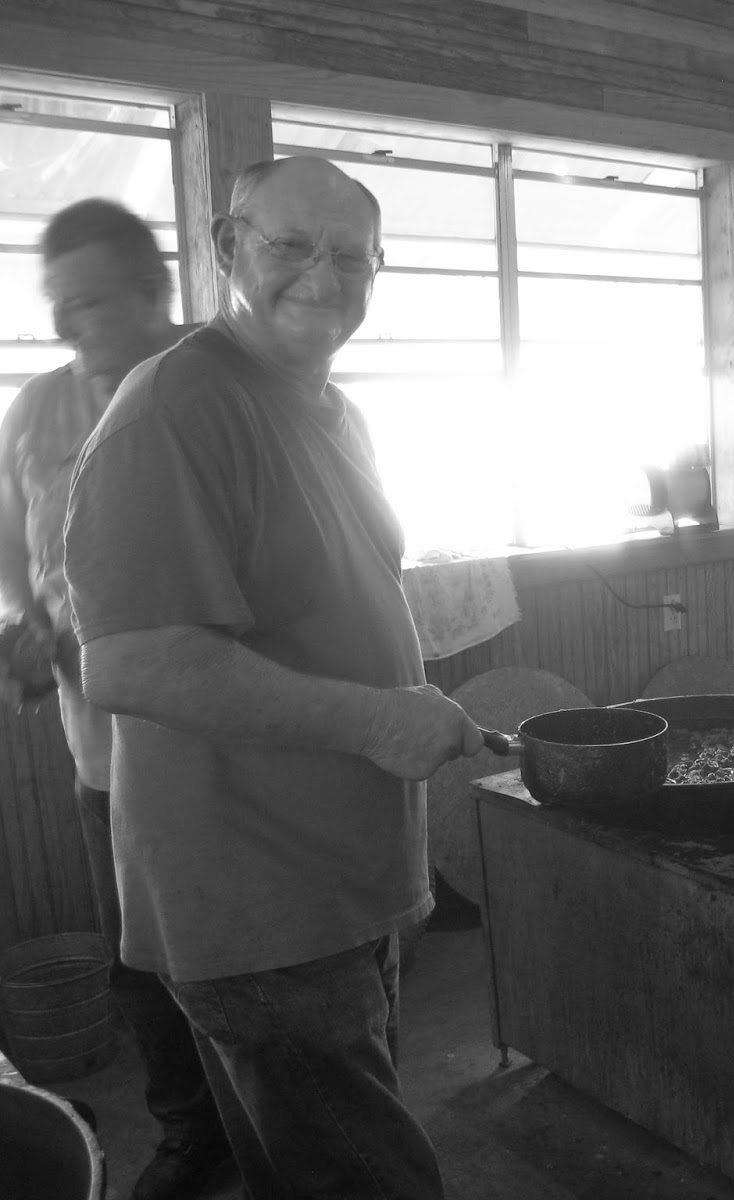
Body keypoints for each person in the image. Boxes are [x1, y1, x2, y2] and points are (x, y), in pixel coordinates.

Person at [63, 157, 484, 1199]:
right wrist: (381, 724)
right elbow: (131, 660)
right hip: (257, 898)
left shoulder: (328, 409)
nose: (321, 275)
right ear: (224, 247)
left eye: (351, 254)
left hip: (336, 885)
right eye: (290, 246)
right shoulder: (176, 405)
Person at [0, 200, 231, 1200]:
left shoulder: (225, 388)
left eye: (85, 302)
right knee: (139, 961)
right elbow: (16, 555)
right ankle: (192, 1132)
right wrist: (26, 622)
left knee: (248, 956)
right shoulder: (35, 411)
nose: (64, 327)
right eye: (56, 303)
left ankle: (277, 1130)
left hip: (229, 743)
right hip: (102, 751)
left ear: (155, 295)